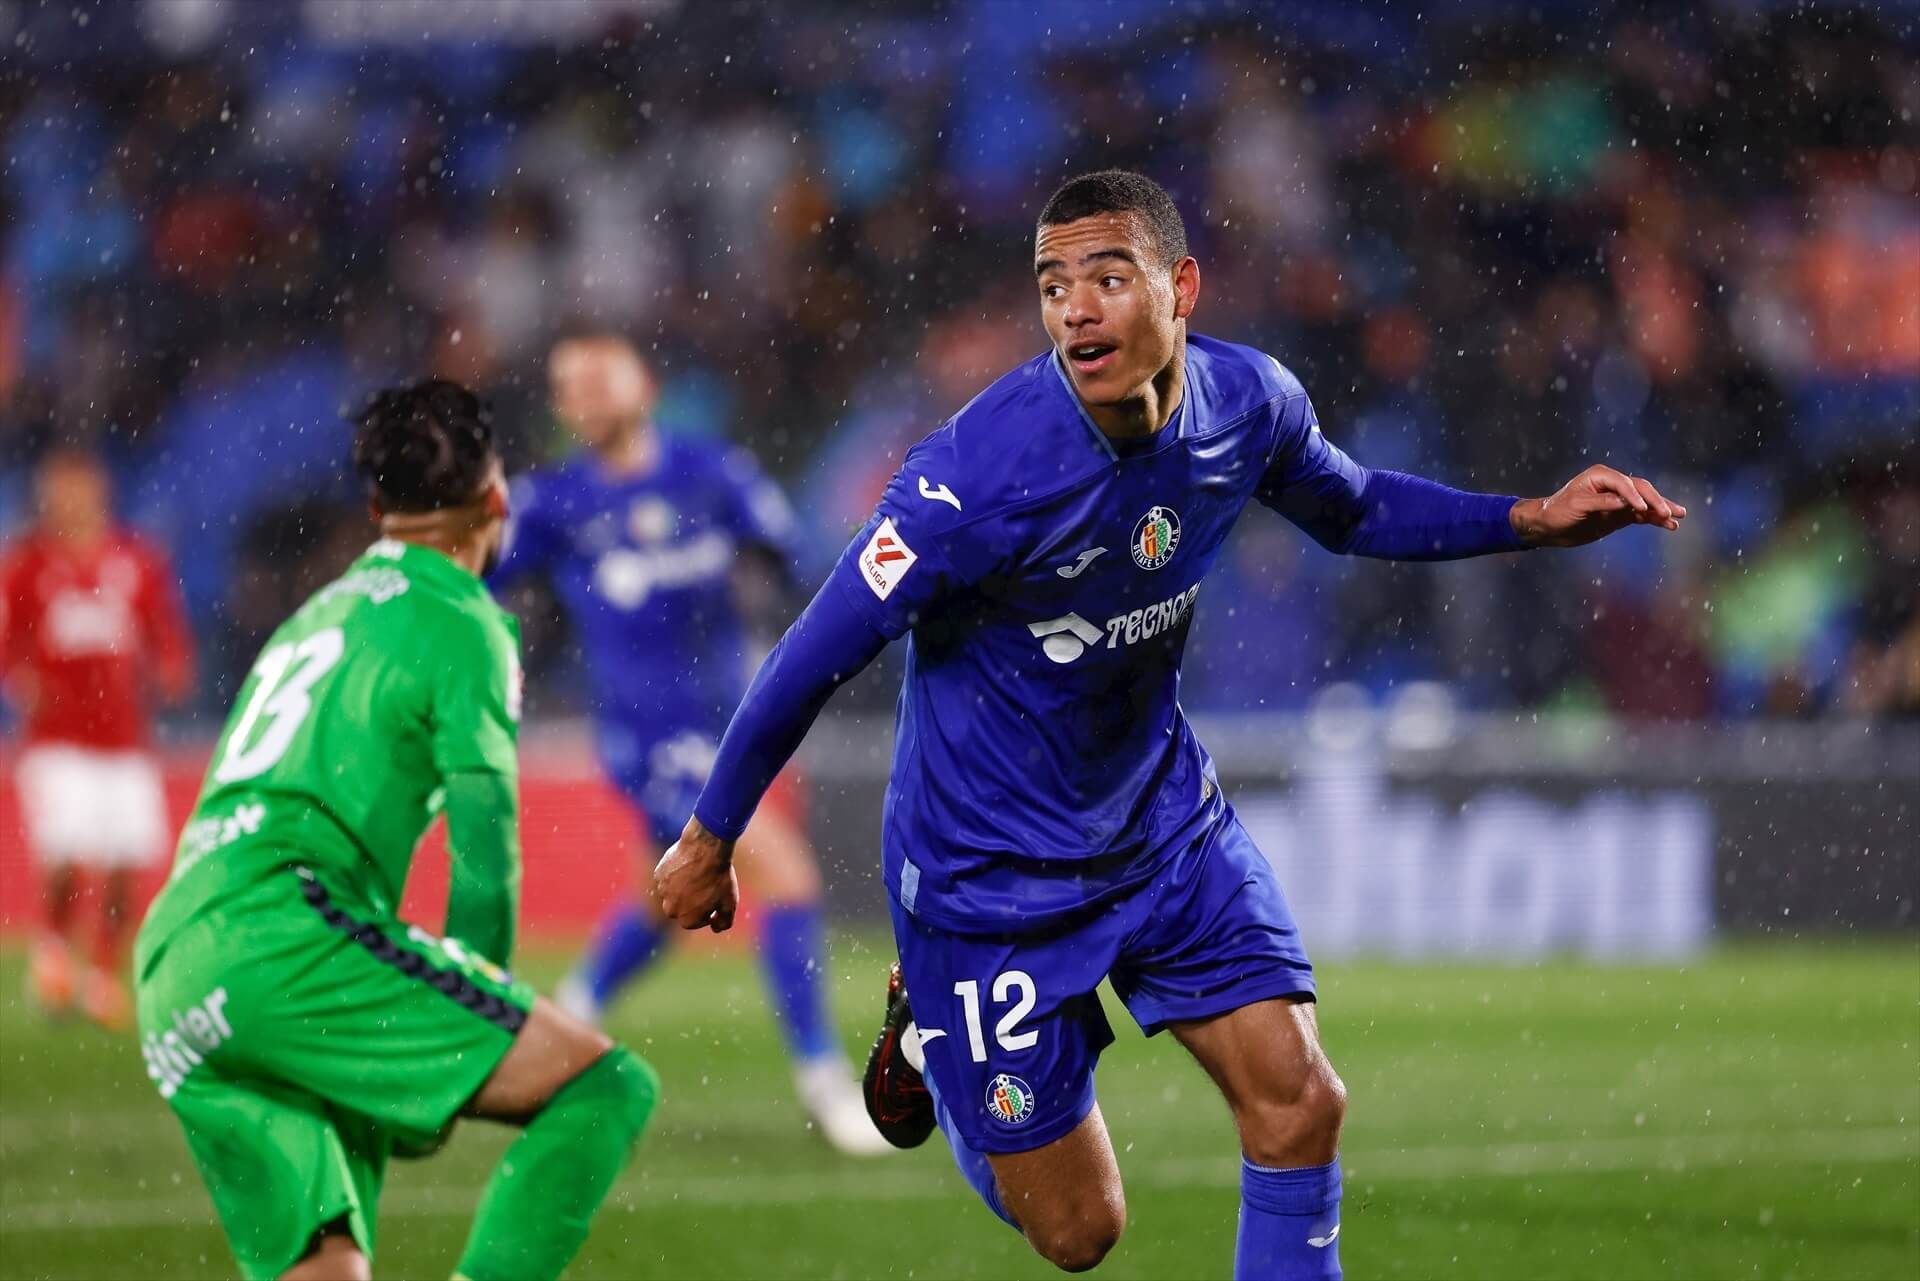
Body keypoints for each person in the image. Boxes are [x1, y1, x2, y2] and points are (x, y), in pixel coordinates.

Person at [654, 170, 1686, 1279]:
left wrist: (1530, 518)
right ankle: (930, 1035)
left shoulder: (1249, 405)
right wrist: (711, 838)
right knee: (1080, 1233)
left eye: (1107, 277)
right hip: (987, 876)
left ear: (1180, 285)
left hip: (1160, 828)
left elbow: (1357, 507)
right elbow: (815, 649)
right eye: (1054, 286)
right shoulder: (970, 479)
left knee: (1300, 1107)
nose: (1077, 310)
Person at [133, 381, 659, 1281]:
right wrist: (470, 1031)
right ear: (497, 501)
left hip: (175, 970)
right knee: (605, 1088)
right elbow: (485, 857)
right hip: (284, 938)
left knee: (330, 1268)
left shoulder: (316, 613)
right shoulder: (464, 621)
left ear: (378, 509)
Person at [490, 332, 886, 1155]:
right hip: (646, 735)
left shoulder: (714, 474)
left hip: (728, 725)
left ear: (648, 383)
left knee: (662, 897)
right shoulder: (553, 501)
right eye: (569, 385)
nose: (587, 394)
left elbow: (797, 560)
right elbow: (478, 583)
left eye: (602, 374)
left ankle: (562, 1020)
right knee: (781, 870)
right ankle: (826, 1084)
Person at [1, 446, 194, 1030]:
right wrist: (19, 679)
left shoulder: (134, 559)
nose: (70, 499)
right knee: (65, 854)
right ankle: (56, 952)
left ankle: (101, 973)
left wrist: (171, 663)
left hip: (122, 738)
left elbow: (163, 627)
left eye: (79, 487)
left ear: (100, 491)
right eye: (60, 488)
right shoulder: (29, 563)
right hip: (56, 739)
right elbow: (8, 640)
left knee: (122, 862)